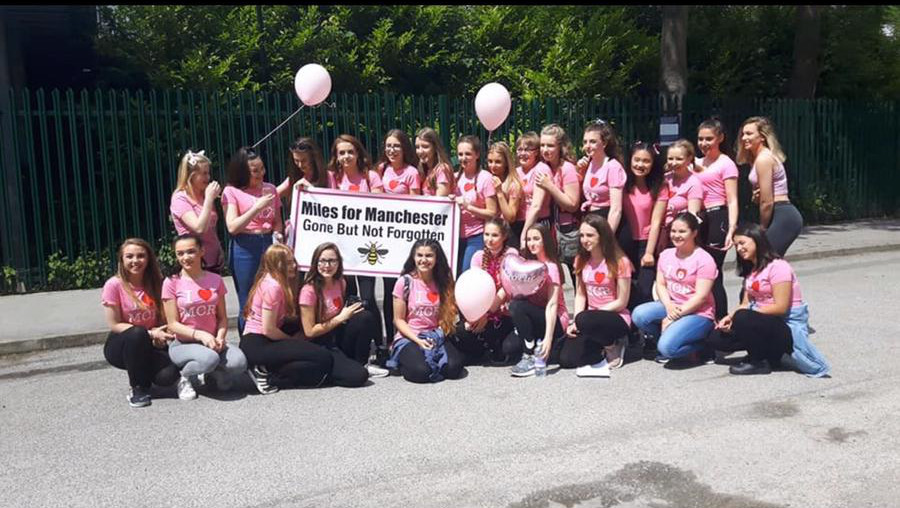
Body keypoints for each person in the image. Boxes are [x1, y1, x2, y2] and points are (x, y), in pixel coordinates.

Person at [706, 223, 830, 377]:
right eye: (736, 245)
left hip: (785, 325)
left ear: (757, 240)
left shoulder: (778, 267)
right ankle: (772, 356)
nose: (738, 249)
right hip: (763, 322)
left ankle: (758, 361)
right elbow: (745, 303)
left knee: (744, 317)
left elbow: (780, 308)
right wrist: (729, 318)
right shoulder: (751, 269)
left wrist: (745, 315)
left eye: (742, 243)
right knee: (716, 338)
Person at [239, 244, 333, 394]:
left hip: (264, 338)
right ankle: (266, 374)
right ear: (277, 264)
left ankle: (267, 368)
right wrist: (292, 340)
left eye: (293, 261)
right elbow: (268, 329)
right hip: (257, 342)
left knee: (311, 355)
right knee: (321, 357)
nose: (294, 266)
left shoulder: (275, 280)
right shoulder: (273, 287)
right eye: (288, 263)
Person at [162, 234, 247, 400]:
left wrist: (220, 337)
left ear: (202, 251)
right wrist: (200, 335)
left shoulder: (215, 279)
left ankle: (211, 374)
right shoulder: (171, 282)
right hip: (183, 344)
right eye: (180, 253)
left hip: (213, 342)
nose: (185, 257)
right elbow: (172, 324)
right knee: (210, 359)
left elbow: (222, 318)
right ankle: (185, 377)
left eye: (191, 252)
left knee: (239, 363)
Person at [102, 238, 178, 408]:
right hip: (123, 343)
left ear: (149, 258)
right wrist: (150, 333)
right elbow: (114, 324)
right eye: (129, 256)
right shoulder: (113, 285)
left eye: (140, 256)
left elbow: (165, 318)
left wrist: (160, 334)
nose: (135, 261)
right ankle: (138, 388)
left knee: (168, 377)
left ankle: (144, 373)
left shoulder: (159, 282)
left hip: (152, 341)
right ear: (122, 260)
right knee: (138, 333)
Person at [632, 212, 716, 364]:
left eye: (682, 231)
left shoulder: (704, 259)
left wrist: (672, 316)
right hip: (673, 305)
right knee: (639, 314)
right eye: (673, 231)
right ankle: (669, 337)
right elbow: (661, 285)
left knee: (667, 349)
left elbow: (701, 297)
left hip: (698, 312)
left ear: (694, 233)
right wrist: (669, 306)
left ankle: (704, 344)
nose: (676, 235)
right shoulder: (666, 255)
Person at [299, 243, 388, 386]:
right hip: (320, 341)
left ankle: (361, 362)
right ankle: (325, 372)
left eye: (332, 261)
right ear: (315, 263)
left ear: (339, 263)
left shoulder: (340, 282)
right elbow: (309, 332)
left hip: (337, 334)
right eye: (322, 261)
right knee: (358, 377)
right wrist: (341, 317)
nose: (327, 266)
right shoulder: (309, 291)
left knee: (365, 317)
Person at [327, 134, 384, 341]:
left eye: (350, 151)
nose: (346, 156)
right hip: (342, 249)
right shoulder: (332, 177)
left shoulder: (371, 176)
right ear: (336, 156)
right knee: (348, 298)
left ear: (358, 153)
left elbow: (382, 207)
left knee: (368, 298)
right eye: (341, 152)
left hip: (367, 247)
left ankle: (379, 344)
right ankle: (352, 343)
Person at [562, 215, 633, 376]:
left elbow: (622, 301)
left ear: (602, 235)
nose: (584, 240)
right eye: (581, 235)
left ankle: (614, 344)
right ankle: (598, 346)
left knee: (585, 319)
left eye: (590, 235)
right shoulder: (580, 259)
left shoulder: (620, 262)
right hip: (589, 319)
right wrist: (575, 321)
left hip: (615, 316)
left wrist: (592, 314)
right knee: (566, 359)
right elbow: (580, 294)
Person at [223, 147, 283, 335]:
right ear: (243, 172)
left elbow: (277, 221)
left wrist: (278, 234)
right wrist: (256, 208)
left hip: (268, 241)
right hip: (245, 246)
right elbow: (232, 227)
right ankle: (249, 345)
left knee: (273, 294)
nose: (260, 174)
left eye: (262, 169)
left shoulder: (270, 188)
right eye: (255, 171)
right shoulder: (231, 191)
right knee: (248, 297)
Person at [388, 239, 464, 383]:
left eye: (429, 256)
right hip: (410, 336)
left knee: (454, 369)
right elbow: (398, 320)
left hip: (436, 335)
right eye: (419, 255)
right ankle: (400, 361)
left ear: (436, 258)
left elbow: (450, 315)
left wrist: (438, 335)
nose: (423, 260)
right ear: (413, 257)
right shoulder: (404, 282)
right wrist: (418, 341)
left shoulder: (444, 281)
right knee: (421, 372)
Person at [452, 218, 520, 365]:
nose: (489, 239)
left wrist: (487, 314)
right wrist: (476, 316)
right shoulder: (478, 256)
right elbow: (475, 288)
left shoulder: (511, 254)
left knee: (509, 349)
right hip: (483, 311)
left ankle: (497, 346)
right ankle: (479, 350)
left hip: (504, 312)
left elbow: (506, 288)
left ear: (504, 236)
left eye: (494, 235)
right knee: (462, 331)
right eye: (486, 234)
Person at [376, 129, 421, 344]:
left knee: (405, 288)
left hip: (405, 241)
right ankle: (389, 341)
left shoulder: (412, 172)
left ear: (404, 149)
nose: (392, 150)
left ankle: (407, 334)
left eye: (396, 146)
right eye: (388, 146)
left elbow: (416, 206)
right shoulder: (381, 170)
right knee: (388, 291)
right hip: (386, 241)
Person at [737, 116, 804, 256]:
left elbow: (766, 202)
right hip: (777, 212)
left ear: (762, 137)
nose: (744, 138)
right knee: (767, 262)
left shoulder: (764, 159)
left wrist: (762, 228)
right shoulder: (757, 158)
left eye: (749, 134)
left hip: (783, 214)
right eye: (743, 134)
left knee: (766, 258)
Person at [509, 223, 570, 377]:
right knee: (509, 347)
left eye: (536, 239)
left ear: (545, 241)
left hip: (554, 319)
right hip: (536, 315)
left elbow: (552, 304)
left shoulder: (551, 267)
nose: (532, 243)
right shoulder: (527, 264)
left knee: (517, 307)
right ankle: (532, 344)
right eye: (529, 239)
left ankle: (529, 355)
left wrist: (548, 338)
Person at [695, 118, 739, 320]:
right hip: (701, 218)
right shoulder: (697, 162)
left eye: (709, 139)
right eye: (700, 139)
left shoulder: (726, 164)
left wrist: (731, 228)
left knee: (713, 272)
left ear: (720, 138)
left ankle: (721, 319)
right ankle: (705, 315)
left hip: (718, 216)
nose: (704, 143)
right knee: (700, 271)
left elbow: (732, 199)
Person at [578, 120, 634, 263]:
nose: (587, 146)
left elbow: (616, 208)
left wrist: (606, 237)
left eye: (592, 142)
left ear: (604, 143)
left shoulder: (613, 167)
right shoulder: (589, 164)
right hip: (592, 219)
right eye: (585, 142)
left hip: (609, 222)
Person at [533, 124, 581, 279]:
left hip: (569, 230)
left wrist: (550, 186)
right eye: (542, 145)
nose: (545, 149)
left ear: (560, 147)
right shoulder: (544, 167)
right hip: (552, 228)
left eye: (550, 145)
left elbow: (572, 204)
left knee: (575, 275)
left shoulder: (567, 168)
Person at [623, 142, 668, 307]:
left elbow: (656, 222)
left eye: (646, 161)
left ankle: (646, 331)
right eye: (637, 160)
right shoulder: (622, 183)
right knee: (625, 291)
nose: (640, 165)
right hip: (624, 244)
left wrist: (649, 253)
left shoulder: (660, 187)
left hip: (646, 243)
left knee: (644, 291)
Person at [169, 150, 224, 273]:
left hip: (213, 260)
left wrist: (219, 248)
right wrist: (209, 199)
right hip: (195, 262)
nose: (208, 178)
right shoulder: (180, 198)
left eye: (208, 173)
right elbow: (199, 228)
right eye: (203, 174)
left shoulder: (204, 195)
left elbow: (211, 228)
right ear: (191, 175)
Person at [454, 135, 498, 275]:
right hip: (455, 236)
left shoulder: (485, 178)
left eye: (468, 154)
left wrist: (469, 207)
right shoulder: (454, 178)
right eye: (460, 154)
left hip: (476, 235)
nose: (463, 158)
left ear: (477, 155)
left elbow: (492, 213)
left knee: (468, 273)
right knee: (453, 275)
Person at [661, 139, 703, 246]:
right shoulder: (664, 179)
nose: (674, 163)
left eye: (679, 159)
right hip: (659, 233)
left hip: (678, 237)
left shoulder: (694, 183)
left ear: (689, 159)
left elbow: (692, 217)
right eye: (670, 159)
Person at [276, 137, 334, 209]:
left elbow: (333, 204)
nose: (300, 165)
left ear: (313, 158)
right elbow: (273, 196)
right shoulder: (293, 178)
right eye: (296, 160)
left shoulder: (329, 176)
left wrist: (311, 189)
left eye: (304, 161)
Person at [516, 132, 553, 243]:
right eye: (519, 149)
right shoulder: (516, 172)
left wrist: (524, 234)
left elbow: (536, 206)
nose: (522, 153)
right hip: (518, 222)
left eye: (527, 150)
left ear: (536, 152)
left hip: (537, 223)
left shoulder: (541, 169)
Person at [486, 141, 523, 248]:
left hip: (509, 233)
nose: (493, 166)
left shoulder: (513, 184)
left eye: (498, 162)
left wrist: (499, 192)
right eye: (490, 161)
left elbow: (510, 217)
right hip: (491, 232)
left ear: (506, 162)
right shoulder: (486, 179)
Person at [415, 127, 455, 197]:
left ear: (435, 148)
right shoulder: (423, 169)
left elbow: (440, 201)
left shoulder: (442, 169)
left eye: (425, 147)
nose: (420, 151)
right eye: (417, 147)